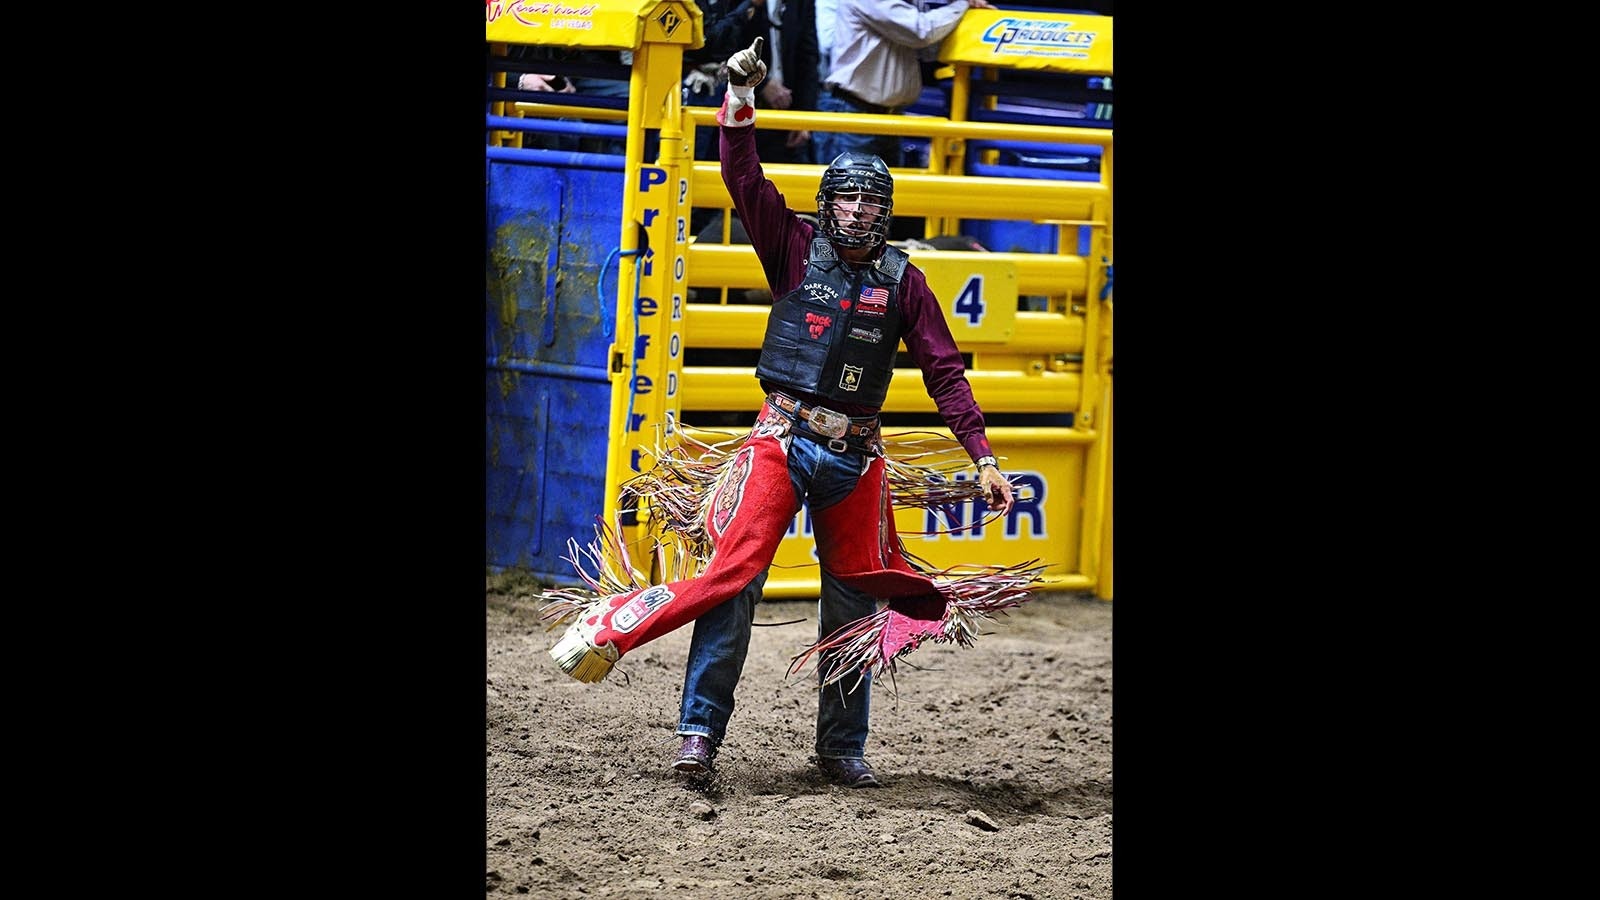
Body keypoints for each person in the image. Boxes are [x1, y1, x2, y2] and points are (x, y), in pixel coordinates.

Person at [541, 36, 1038, 789]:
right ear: (828, 203)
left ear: (887, 211)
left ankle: (841, 748)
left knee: (856, 597)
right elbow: (744, 176)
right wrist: (739, 99)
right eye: (849, 196)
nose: (861, 210)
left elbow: (944, 370)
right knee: (734, 583)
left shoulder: (906, 281)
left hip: (857, 455)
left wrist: (985, 457)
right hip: (781, 438)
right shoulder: (794, 248)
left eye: (873, 200)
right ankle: (698, 736)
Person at [813, 0, 996, 166]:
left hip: (887, 117)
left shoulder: (909, 4)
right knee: (845, 195)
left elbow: (928, 48)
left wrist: (974, 18)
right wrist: (961, 5)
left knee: (885, 198)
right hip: (854, 113)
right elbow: (921, 31)